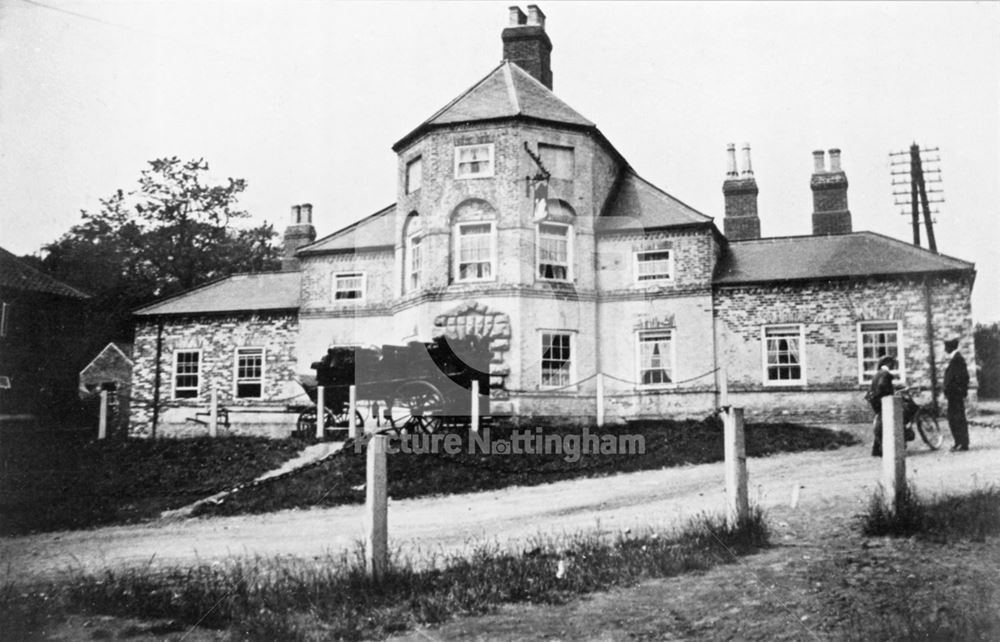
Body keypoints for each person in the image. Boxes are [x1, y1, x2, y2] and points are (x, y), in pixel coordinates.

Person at [943, 338, 970, 451]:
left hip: (955, 395)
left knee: (957, 419)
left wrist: (957, 390)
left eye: (946, 347)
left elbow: (963, 377)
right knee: (954, 419)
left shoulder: (957, 359)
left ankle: (962, 443)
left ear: (950, 348)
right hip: (953, 395)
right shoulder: (955, 358)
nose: (945, 350)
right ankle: (958, 442)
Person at [869, 355, 897, 457]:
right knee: (886, 425)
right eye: (892, 363)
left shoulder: (878, 373)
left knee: (882, 424)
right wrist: (889, 396)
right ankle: (882, 449)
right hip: (883, 402)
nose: (893, 365)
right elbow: (882, 386)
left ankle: (876, 449)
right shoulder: (885, 374)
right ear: (888, 364)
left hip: (875, 401)